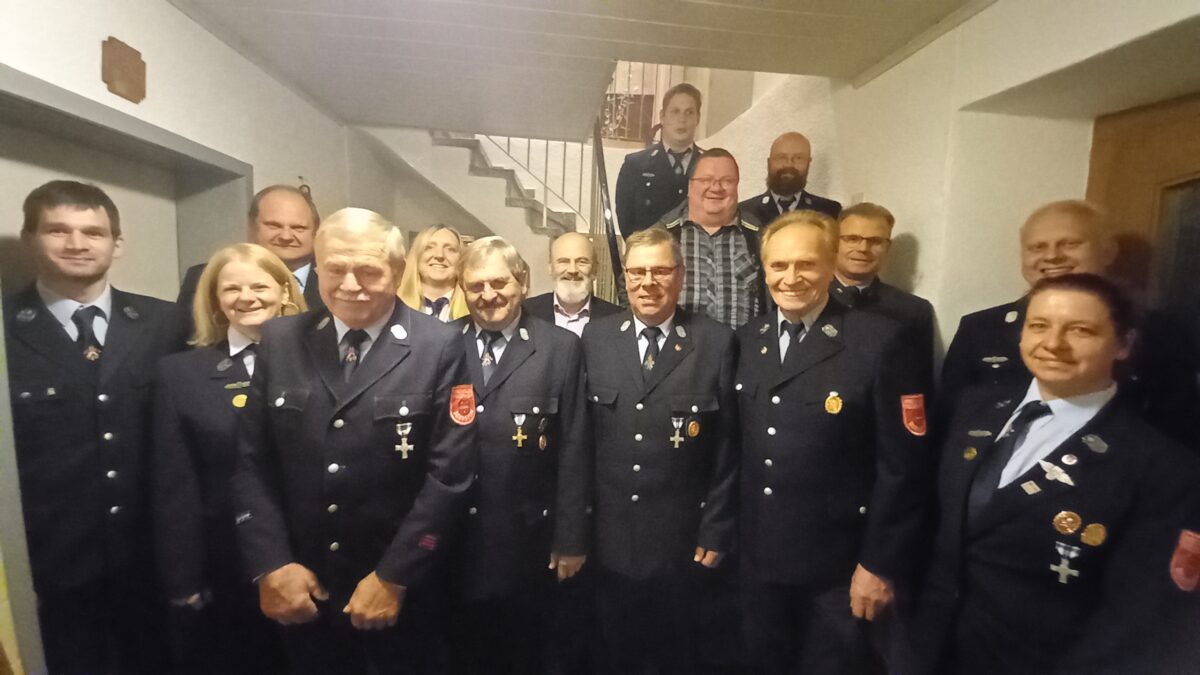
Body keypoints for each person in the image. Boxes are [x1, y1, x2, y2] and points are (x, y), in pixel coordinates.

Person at [910, 273, 1200, 674]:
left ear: (1123, 344)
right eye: (1039, 325)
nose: (1053, 343)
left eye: (1080, 330)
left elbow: (1137, 620)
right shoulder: (972, 409)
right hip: (929, 651)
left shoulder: (1161, 466)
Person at [231, 208, 477, 674]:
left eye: (367, 270)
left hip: (400, 591)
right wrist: (271, 563)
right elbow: (251, 462)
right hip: (303, 588)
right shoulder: (282, 339)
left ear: (398, 271)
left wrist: (395, 575)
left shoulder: (439, 344)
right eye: (335, 269)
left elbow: (450, 475)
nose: (350, 284)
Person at [735, 210, 932, 674]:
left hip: (839, 565)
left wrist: (879, 563)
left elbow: (905, 467)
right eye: (778, 266)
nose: (790, 278)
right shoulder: (748, 340)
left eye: (805, 264)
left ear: (830, 265)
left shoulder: (879, 341)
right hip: (759, 557)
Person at [4, 180, 174, 674]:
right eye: (58, 230)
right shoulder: (6, 326)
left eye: (93, 232)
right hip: (51, 565)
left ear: (116, 243)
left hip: (151, 558)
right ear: (30, 238)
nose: (77, 244)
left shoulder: (165, 322)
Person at [580, 227, 737, 673]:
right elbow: (580, 441)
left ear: (680, 275)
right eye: (637, 272)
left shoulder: (715, 341)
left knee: (675, 653)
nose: (648, 283)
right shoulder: (596, 338)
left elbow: (728, 447)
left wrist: (715, 528)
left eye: (661, 271)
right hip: (608, 535)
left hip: (680, 538)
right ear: (625, 278)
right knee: (610, 650)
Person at [152, 243, 304, 673]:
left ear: (284, 291)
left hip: (313, 558)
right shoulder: (181, 374)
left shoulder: (324, 363)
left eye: (259, 286)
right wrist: (183, 580)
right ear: (215, 300)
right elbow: (174, 486)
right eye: (232, 288)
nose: (246, 297)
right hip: (231, 566)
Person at [448, 236, 590, 674]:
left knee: (525, 653)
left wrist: (571, 538)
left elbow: (574, 446)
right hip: (453, 538)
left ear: (523, 282)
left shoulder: (559, 348)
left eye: (499, 282)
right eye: (476, 286)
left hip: (527, 540)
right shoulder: (443, 343)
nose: (488, 295)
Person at [940, 199, 1198, 438]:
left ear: (1107, 252)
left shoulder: (1156, 332)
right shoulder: (981, 328)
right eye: (1037, 247)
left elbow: (1180, 427)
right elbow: (948, 421)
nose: (1052, 256)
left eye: (1070, 244)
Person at [177, 185, 323, 338]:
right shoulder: (203, 277)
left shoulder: (334, 280)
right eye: (274, 226)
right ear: (253, 227)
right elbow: (187, 341)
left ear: (315, 232)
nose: (286, 236)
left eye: (298, 228)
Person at [657, 148, 766, 329]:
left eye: (727, 181)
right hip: (677, 346)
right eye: (706, 180)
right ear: (690, 186)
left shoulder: (759, 238)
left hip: (742, 346)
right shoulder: (661, 235)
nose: (716, 188)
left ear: (737, 186)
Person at [831, 202, 935, 389]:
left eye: (875, 241)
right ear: (834, 242)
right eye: (852, 238)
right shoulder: (808, 299)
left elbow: (918, 385)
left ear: (887, 247)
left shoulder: (913, 310)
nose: (863, 248)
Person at [615, 83, 705, 237]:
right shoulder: (635, 165)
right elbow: (627, 222)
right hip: (651, 250)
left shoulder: (711, 166)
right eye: (675, 111)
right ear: (662, 116)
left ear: (698, 118)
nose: (682, 119)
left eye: (689, 112)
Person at [522, 231, 621, 336]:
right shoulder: (525, 312)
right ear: (550, 268)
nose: (572, 270)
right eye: (563, 261)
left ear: (595, 269)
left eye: (582, 262)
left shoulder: (616, 318)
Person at [738, 132, 841, 223]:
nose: (789, 165)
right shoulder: (743, 212)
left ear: (808, 163)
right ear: (769, 163)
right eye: (781, 157)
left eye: (798, 158)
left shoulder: (829, 211)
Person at [398, 224, 469, 321]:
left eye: (450, 249)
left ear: (461, 259)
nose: (440, 255)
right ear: (417, 256)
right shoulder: (393, 307)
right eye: (429, 247)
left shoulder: (475, 311)